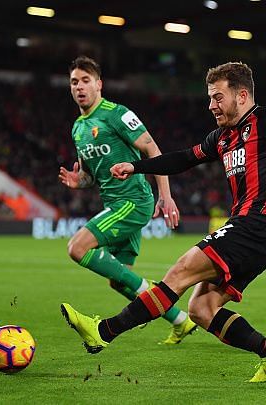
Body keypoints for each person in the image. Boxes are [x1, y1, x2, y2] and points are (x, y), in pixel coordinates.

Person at [59, 62, 266, 382]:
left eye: (218, 97)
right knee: (202, 308)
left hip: (259, 225)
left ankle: (103, 332)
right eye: (210, 97)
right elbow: (184, 159)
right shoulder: (222, 137)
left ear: (241, 96)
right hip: (253, 231)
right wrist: (136, 166)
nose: (211, 104)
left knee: (180, 271)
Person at [58, 56, 196, 344]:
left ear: (99, 84)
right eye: (74, 82)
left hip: (133, 201)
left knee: (77, 247)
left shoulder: (117, 114)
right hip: (114, 204)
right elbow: (89, 175)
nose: (80, 87)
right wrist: (78, 181)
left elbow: (153, 150)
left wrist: (166, 197)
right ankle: (180, 320)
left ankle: (154, 295)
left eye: (85, 80)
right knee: (118, 280)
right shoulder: (78, 128)